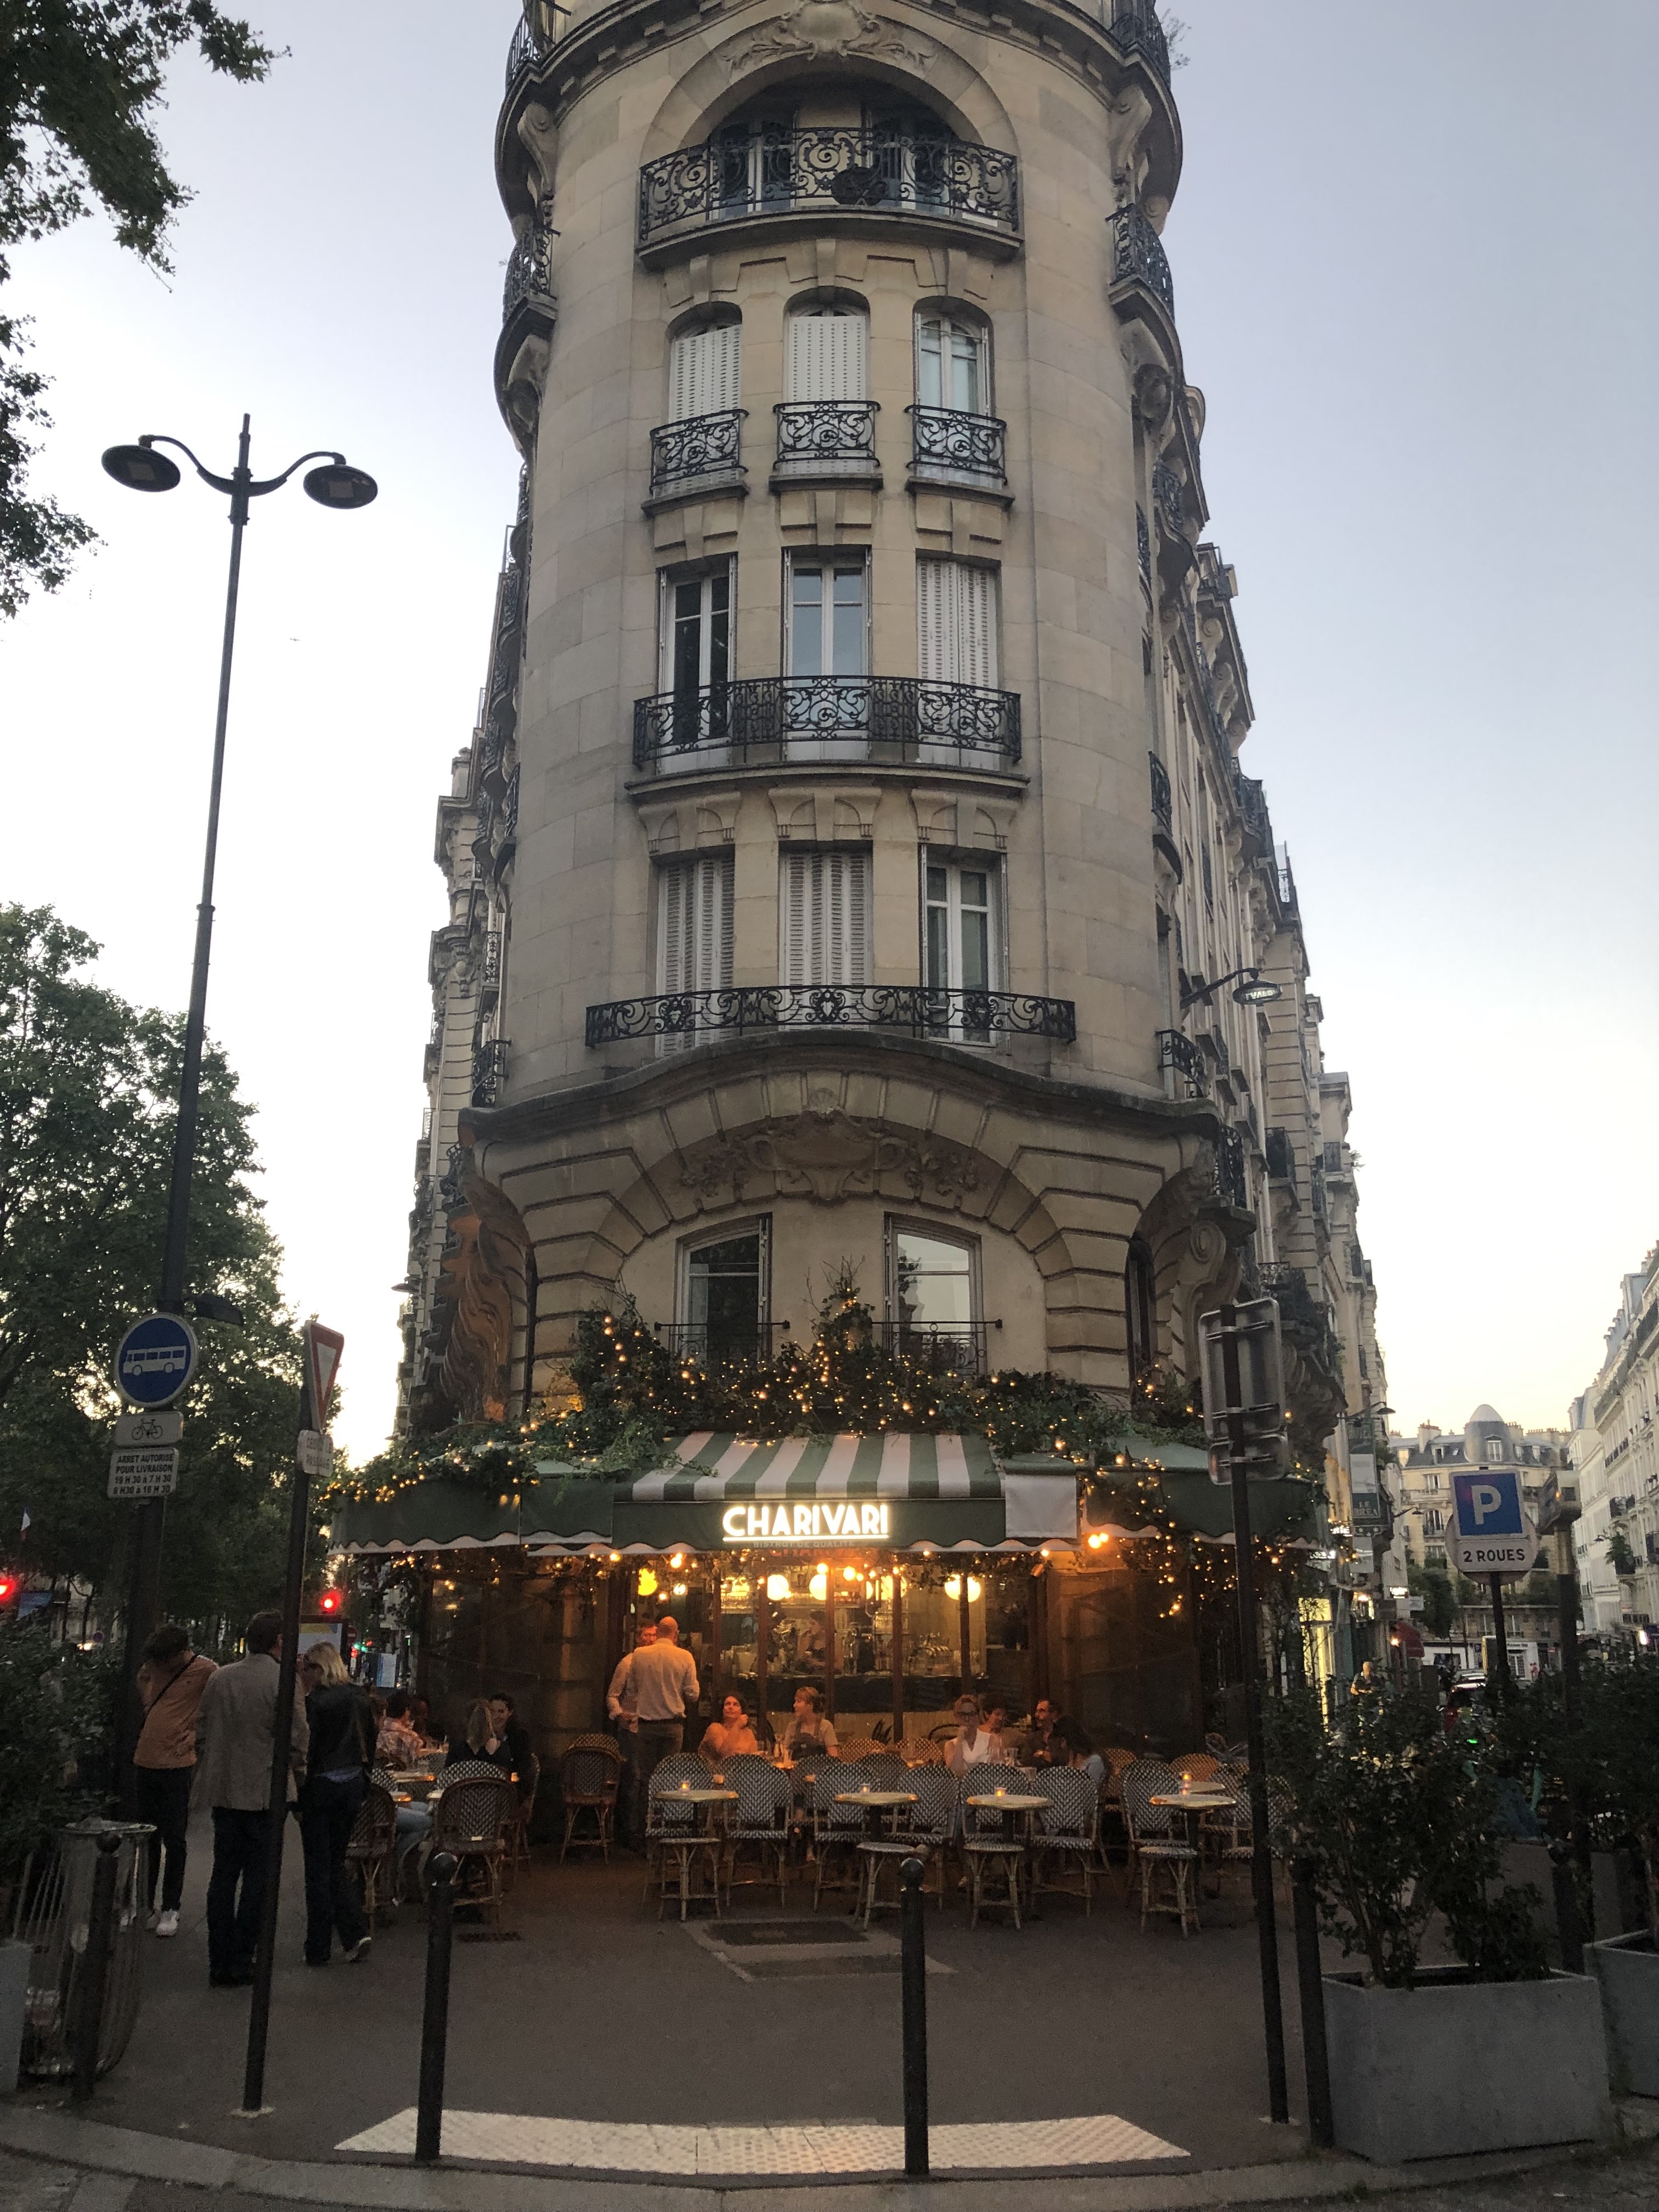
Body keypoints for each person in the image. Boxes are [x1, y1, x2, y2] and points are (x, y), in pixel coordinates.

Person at [193, 1610, 308, 1989]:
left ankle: (219, 1959)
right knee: (259, 1877)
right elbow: (298, 1737)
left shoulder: (220, 1678)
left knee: (224, 1874)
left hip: (225, 1789)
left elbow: (202, 1729)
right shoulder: (284, 1681)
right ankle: (244, 1956)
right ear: (279, 1640)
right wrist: (295, 1771)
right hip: (265, 1791)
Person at [133, 1624, 216, 1939]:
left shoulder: (205, 1671)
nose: (159, 1666)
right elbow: (143, 1677)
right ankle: (145, 1904)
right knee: (148, 1838)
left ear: (180, 1653)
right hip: (146, 1758)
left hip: (178, 1764)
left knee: (175, 1838)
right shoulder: (155, 1667)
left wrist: (194, 1734)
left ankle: (171, 1906)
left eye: (164, 1660)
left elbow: (217, 1702)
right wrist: (149, 1701)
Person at [296, 1643, 375, 1967]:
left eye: (307, 1668)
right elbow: (370, 1741)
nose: (304, 1674)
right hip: (352, 1783)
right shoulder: (359, 1698)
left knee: (318, 1866)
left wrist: (299, 1792)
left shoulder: (315, 1702)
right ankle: (353, 1933)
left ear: (319, 1668)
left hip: (322, 1786)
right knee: (335, 1861)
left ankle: (320, 1945)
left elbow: (308, 1750)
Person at [627, 1616, 700, 1796]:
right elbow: (693, 1695)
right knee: (669, 1778)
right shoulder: (685, 1657)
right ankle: (665, 1813)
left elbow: (632, 1691)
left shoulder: (639, 1655)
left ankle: (647, 1812)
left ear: (658, 1632)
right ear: (676, 1634)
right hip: (672, 1726)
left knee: (646, 1779)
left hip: (647, 1726)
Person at [607, 1621, 657, 1845]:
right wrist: (620, 1715)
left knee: (650, 1778)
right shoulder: (628, 1663)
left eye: (654, 1635)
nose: (650, 1639)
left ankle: (649, 1827)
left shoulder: (658, 1664)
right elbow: (612, 1695)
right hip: (632, 1728)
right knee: (634, 1778)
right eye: (646, 1635)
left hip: (652, 1728)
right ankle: (630, 1830)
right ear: (638, 1638)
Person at [485, 1691, 535, 1798]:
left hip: (510, 1792)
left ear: (510, 1713)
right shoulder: (481, 1736)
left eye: (501, 1712)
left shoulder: (520, 1737)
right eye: (492, 1711)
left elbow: (524, 1769)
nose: (496, 1716)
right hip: (483, 1789)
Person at [944, 1695, 1002, 1778]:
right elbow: (955, 1773)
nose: (967, 1719)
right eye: (963, 1714)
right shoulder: (950, 1745)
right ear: (957, 1717)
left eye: (971, 1714)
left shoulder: (992, 1739)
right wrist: (960, 1739)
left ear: (977, 1716)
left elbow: (996, 1771)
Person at [780, 1684, 837, 1757]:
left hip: (818, 1764)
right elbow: (785, 1754)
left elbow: (834, 1757)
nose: (794, 1705)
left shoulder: (825, 1726)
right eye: (795, 1702)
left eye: (799, 1702)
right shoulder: (792, 1727)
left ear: (810, 1705)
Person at [702, 1693, 760, 1762]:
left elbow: (754, 1759)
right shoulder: (715, 1728)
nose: (731, 1707)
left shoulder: (748, 1733)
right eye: (727, 1704)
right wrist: (737, 1725)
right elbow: (725, 1757)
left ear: (742, 1711)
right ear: (722, 1710)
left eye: (735, 1705)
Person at [1052, 1717, 1106, 1790]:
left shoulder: (1094, 1761)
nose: (1060, 1747)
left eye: (1061, 1741)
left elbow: (1090, 1789)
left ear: (1065, 1740)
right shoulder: (1069, 1759)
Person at [376, 1690, 422, 1770]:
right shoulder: (410, 1736)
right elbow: (416, 1763)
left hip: (380, 1775)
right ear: (406, 1710)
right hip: (402, 1775)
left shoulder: (380, 1730)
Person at [1024, 1695, 1064, 1767]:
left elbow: (1066, 1760)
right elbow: (1026, 1761)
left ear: (1054, 1714)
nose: (1036, 1715)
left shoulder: (1063, 1737)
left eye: (1042, 1711)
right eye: (1037, 1711)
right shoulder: (1032, 1738)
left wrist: (1046, 1755)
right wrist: (1043, 1755)